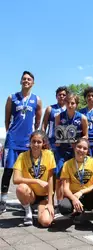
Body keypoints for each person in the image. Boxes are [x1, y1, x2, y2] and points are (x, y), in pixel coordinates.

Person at [0, 71, 42, 214]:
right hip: (13, 139)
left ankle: (29, 201)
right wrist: (10, 132)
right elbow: (7, 119)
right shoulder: (12, 98)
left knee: (27, 171)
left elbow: (38, 120)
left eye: (29, 79)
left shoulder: (37, 99)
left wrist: (31, 135)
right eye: (24, 79)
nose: (26, 81)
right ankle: (3, 200)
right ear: (20, 81)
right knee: (8, 169)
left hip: (26, 141)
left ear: (33, 83)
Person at [59, 138, 93, 235]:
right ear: (74, 147)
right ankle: (78, 212)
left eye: (84, 148)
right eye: (79, 147)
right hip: (76, 196)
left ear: (87, 151)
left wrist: (82, 191)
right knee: (64, 207)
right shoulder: (67, 164)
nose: (81, 150)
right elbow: (65, 188)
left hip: (90, 195)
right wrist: (74, 199)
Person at [13, 130, 55, 226]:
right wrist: (37, 181)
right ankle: (28, 212)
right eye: (33, 141)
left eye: (39, 142)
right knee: (21, 188)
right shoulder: (22, 156)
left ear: (43, 143)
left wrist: (50, 202)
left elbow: (50, 178)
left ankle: (44, 210)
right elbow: (15, 179)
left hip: (43, 195)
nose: (36, 144)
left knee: (45, 222)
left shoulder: (49, 154)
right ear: (30, 142)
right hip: (30, 194)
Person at [54, 93, 88, 203]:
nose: (70, 105)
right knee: (59, 176)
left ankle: (72, 200)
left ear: (76, 104)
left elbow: (86, 136)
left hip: (75, 152)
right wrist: (58, 141)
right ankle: (59, 203)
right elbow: (57, 133)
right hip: (62, 151)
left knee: (74, 176)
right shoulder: (59, 116)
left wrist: (77, 143)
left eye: (72, 103)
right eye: (68, 103)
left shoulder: (82, 118)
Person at [42, 86, 69, 152]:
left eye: (64, 95)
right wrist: (45, 140)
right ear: (56, 96)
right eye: (59, 95)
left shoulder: (70, 109)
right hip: (51, 141)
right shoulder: (50, 108)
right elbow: (43, 126)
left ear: (67, 97)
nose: (61, 96)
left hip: (66, 142)